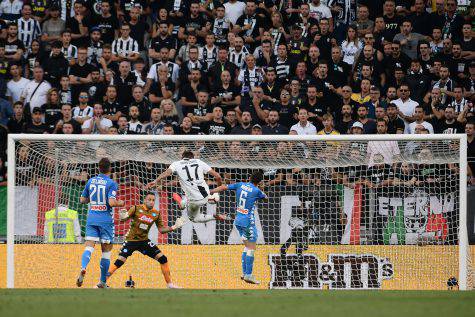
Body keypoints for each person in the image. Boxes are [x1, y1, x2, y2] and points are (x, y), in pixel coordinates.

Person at [107, 192, 185, 289]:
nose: (151, 202)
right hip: (131, 241)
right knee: (119, 261)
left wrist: (174, 227)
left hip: (144, 241)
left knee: (163, 259)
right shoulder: (136, 208)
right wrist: (122, 216)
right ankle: (102, 282)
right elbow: (124, 219)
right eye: (149, 199)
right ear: (144, 200)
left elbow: (161, 230)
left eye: (153, 200)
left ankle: (170, 285)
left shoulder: (156, 213)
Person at [210, 170, 267, 284]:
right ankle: (249, 275)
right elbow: (265, 197)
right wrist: (262, 186)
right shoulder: (257, 191)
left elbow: (223, 187)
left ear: (250, 177)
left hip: (238, 221)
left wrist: (211, 191)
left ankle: (244, 273)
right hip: (248, 222)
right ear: (259, 181)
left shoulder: (240, 184)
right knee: (251, 247)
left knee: (247, 246)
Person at [77, 157, 125, 288]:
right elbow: (111, 203)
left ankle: (83, 267)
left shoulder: (91, 181)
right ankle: (102, 282)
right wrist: (120, 202)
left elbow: (82, 200)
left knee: (89, 246)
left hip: (92, 219)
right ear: (110, 169)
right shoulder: (111, 183)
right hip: (105, 222)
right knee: (106, 252)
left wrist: (92, 200)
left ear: (99, 168)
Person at [146, 150, 227, 223]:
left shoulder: (176, 164)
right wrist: (217, 193)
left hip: (194, 200)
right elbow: (218, 176)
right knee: (200, 193)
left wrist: (155, 181)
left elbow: (167, 173)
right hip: (205, 194)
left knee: (194, 219)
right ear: (193, 157)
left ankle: (212, 216)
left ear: (182, 157)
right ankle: (211, 198)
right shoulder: (199, 162)